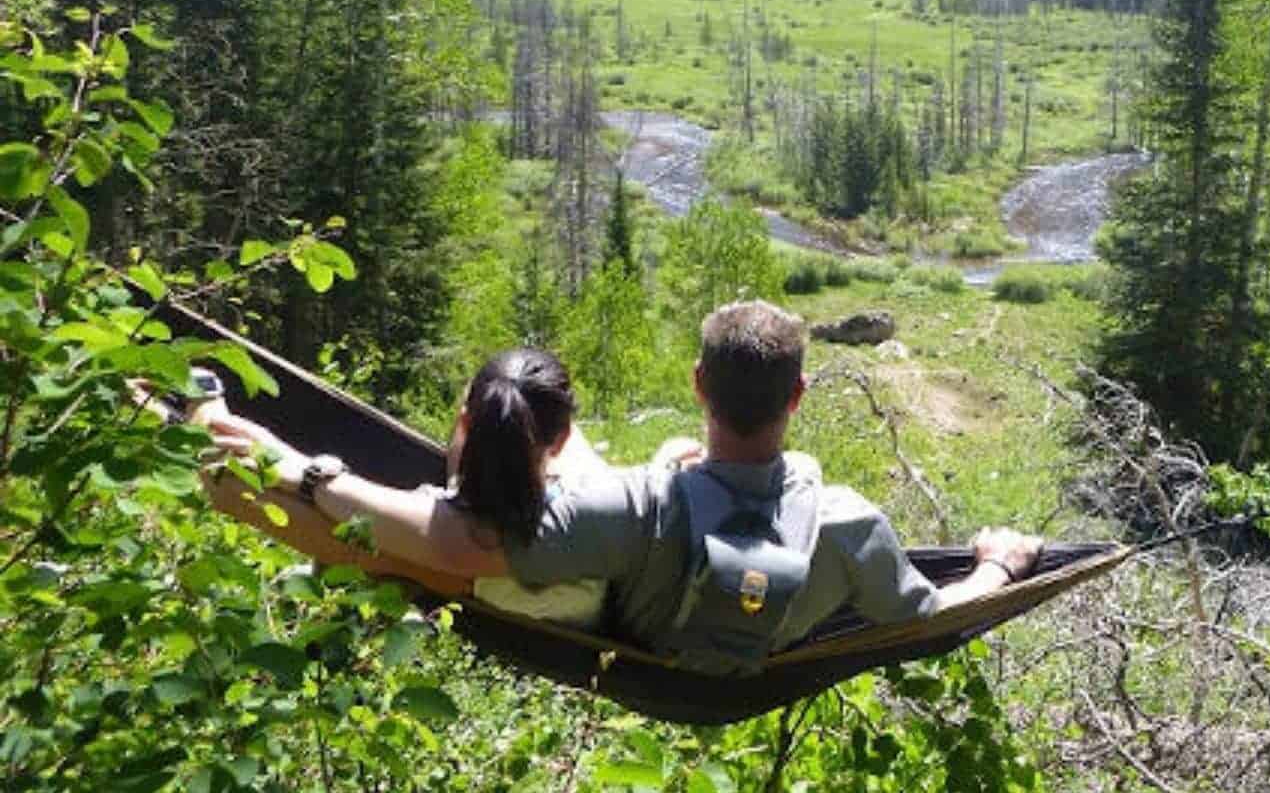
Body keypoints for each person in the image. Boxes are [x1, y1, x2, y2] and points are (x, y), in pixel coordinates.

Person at [203, 300, 1042, 667]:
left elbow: (459, 543)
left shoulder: (628, 507)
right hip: (749, 664)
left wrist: (301, 467)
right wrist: (998, 566)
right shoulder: (852, 524)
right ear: (798, 396)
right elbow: (929, 622)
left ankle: (205, 437)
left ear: (699, 384)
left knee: (409, 536)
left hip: (634, 633)